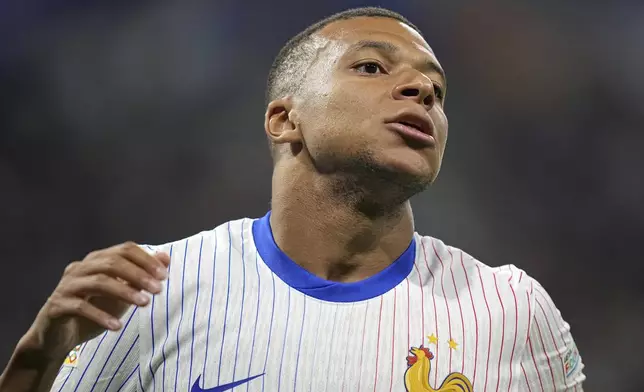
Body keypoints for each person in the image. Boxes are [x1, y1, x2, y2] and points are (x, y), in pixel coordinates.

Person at [0, 6, 585, 392]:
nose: (421, 89)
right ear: (284, 119)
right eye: (372, 66)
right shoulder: (150, 290)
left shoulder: (511, 311)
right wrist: (35, 359)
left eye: (436, 89)